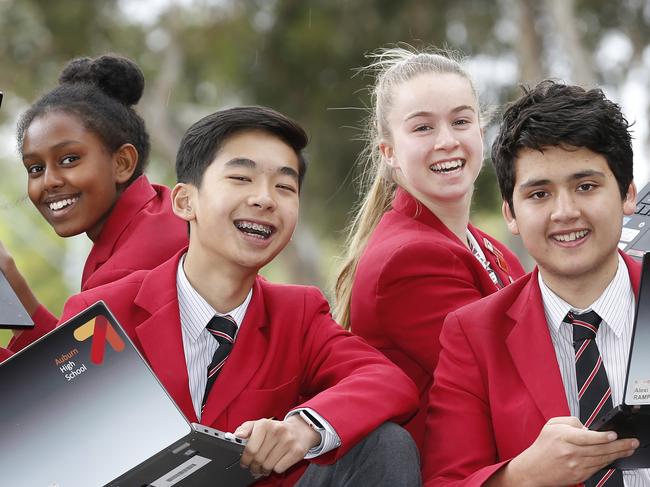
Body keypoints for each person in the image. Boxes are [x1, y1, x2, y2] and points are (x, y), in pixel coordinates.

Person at [58, 105, 422, 486]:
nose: (265, 199)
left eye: (284, 187)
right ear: (185, 202)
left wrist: (303, 428)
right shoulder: (101, 316)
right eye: (241, 177)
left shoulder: (297, 313)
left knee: (386, 443)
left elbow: (386, 379)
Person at [423, 80, 647, 486]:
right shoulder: (472, 336)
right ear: (510, 214)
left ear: (627, 194)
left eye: (586, 186)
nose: (565, 212)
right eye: (539, 194)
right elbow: (445, 480)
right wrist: (522, 476)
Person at [333, 46, 525, 449]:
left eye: (460, 121)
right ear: (390, 154)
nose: (446, 141)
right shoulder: (408, 259)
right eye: (422, 128)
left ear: (480, 129)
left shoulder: (489, 247)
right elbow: (511, 381)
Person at [2, 54, 187, 353]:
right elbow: (74, 356)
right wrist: (10, 281)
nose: (49, 181)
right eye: (35, 168)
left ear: (122, 163)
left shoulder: (137, 263)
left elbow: (72, 382)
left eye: (69, 159)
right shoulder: (158, 209)